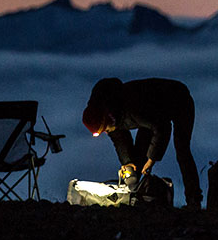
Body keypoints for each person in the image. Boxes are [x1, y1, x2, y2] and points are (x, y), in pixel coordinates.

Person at [82, 77, 202, 209]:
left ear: (108, 120)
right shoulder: (108, 114)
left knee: (182, 150)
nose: (106, 132)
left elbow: (162, 127)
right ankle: (136, 197)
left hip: (179, 101)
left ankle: (193, 199)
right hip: (151, 118)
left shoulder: (133, 107)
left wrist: (152, 159)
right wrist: (127, 162)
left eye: (106, 129)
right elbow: (120, 140)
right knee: (138, 158)